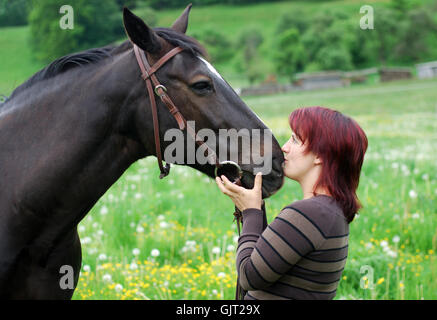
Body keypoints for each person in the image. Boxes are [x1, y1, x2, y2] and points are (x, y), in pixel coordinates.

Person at [215, 106, 368, 300]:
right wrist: (256, 208)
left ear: (320, 155)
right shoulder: (329, 211)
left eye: (295, 140)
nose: (285, 147)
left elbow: (249, 277)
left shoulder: (310, 213)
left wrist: (251, 213)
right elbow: (268, 262)